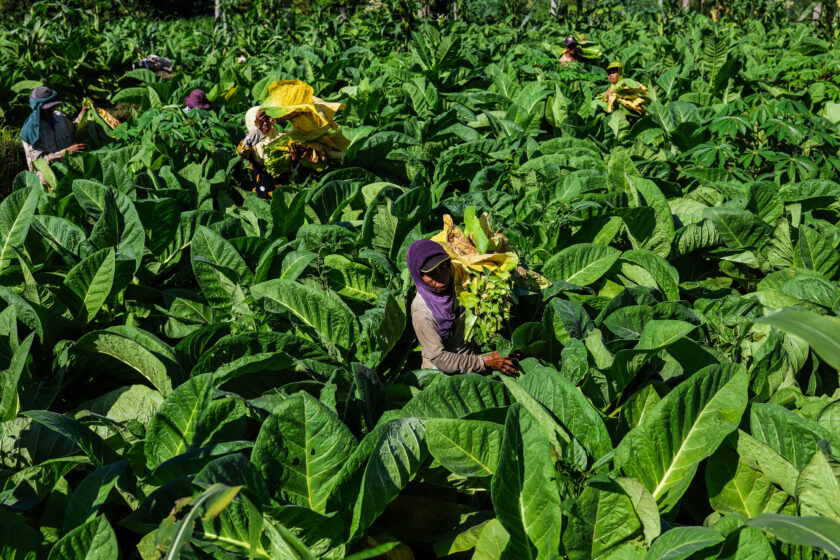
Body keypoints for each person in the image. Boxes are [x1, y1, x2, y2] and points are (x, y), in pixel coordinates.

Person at [407, 239, 518, 375]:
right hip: (443, 373)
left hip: (473, 358)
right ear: (418, 276)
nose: (440, 277)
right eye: (431, 274)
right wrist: (485, 361)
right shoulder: (422, 311)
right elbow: (440, 359)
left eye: (443, 268)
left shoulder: (461, 278)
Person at [20, 86, 89, 176]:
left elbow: (74, 129)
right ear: (38, 109)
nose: (51, 110)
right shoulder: (30, 132)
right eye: (47, 108)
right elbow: (38, 163)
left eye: (53, 106)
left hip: (69, 167)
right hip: (48, 176)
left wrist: (82, 114)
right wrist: (66, 153)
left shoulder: (60, 118)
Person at [236, 106, 284, 200]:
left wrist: (294, 158)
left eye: (267, 119)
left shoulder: (281, 138)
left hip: (283, 193)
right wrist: (257, 130)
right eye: (260, 122)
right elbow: (241, 151)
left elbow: (292, 168)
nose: (265, 123)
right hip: (262, 193)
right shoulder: (252, 143)